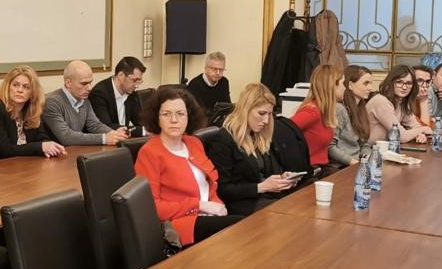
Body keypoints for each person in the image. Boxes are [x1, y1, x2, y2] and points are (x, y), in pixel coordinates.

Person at [134, 85, 242, 246]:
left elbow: (210, 185)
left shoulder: (194, 143)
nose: (174, 120)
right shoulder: (149, 152)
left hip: (208, 216)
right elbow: (151, 207)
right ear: (157, 118)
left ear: (189, 117)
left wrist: (217, 205)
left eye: (180, 114)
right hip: (178, 225)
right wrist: (199, 205)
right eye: (166, 114)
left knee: (248, 229)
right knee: (241, 229)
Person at [207, 83, 299, 217]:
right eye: (261, 113)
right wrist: (261, 187)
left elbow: (263, 175)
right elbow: (222, 189)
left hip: (265, 198)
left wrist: (281, 179)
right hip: (243, 205)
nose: (266, 120)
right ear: (246, 110)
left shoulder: (257, 135)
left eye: (269, 114)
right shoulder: (224, 140)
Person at [0, 66, 66, 163]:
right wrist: (40, 147)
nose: (20, 90)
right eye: (15, 85)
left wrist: (48, 146)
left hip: (18, 165)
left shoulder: (32, 110)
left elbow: (41, 137)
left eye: (26, 87)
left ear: (32, 92)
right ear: (8, 87)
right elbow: (5, 150)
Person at [42, 60, 129, 146]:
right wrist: (104, 138)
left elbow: (94, 125)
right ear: (68, 83)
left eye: (90, 82)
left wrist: (114, 134)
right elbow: (66, 137)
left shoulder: (83, 98)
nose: (89, 88)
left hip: (74, 150)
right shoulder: (52, 102)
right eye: (84, 84)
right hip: (55, 152)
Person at [289, 64, 344, 168]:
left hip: (321, 168)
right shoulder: (312, 111)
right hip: (310, 170)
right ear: (333, 86)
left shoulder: (324, 111)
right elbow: (284, 129)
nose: (345, 88)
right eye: (343, 83)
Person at [366, 66, 433, 143]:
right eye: (399, 82)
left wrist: (421, 135)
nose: (404, 87)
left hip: (386, 148)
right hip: (368, 148)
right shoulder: (381, 101)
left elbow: (416, 126)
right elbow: (401, 136)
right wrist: (423, 129)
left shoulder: (402, 102)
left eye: (409, 83)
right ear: (391, 82)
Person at [88, 56, 146, 137]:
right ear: (120, 75)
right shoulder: (99, 94)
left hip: (124, 140)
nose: (137, 85)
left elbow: (140, 121)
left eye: (139, 81)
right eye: (134, 80)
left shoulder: (131, 92)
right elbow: (106, 127)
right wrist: (143, 131)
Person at [329, 65, 374, 166]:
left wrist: (365, 159)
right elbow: (330, 147)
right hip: (340, 166)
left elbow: (365, 144)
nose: (370, 88)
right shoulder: (339, 109)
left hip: (356, 163)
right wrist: (355, 163)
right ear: (350, 85)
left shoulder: (361, 109)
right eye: (365, 83)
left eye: (371, 83)